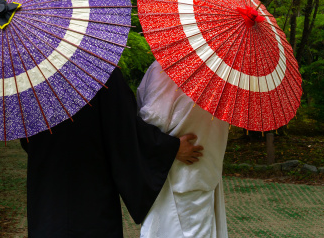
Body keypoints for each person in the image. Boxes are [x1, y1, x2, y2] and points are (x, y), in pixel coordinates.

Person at [20, 68, 204, 238]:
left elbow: (26, 140)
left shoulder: (29, 77)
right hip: (92, 192)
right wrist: (170, 148)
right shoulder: (98, 69)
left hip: (47, 192)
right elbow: (124, 130)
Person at [137, 60, 229, 238]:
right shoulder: (229, 75)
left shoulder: (171, 65)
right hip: (206, 170)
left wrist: (169, 146)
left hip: (172, 175)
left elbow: (152, 118)